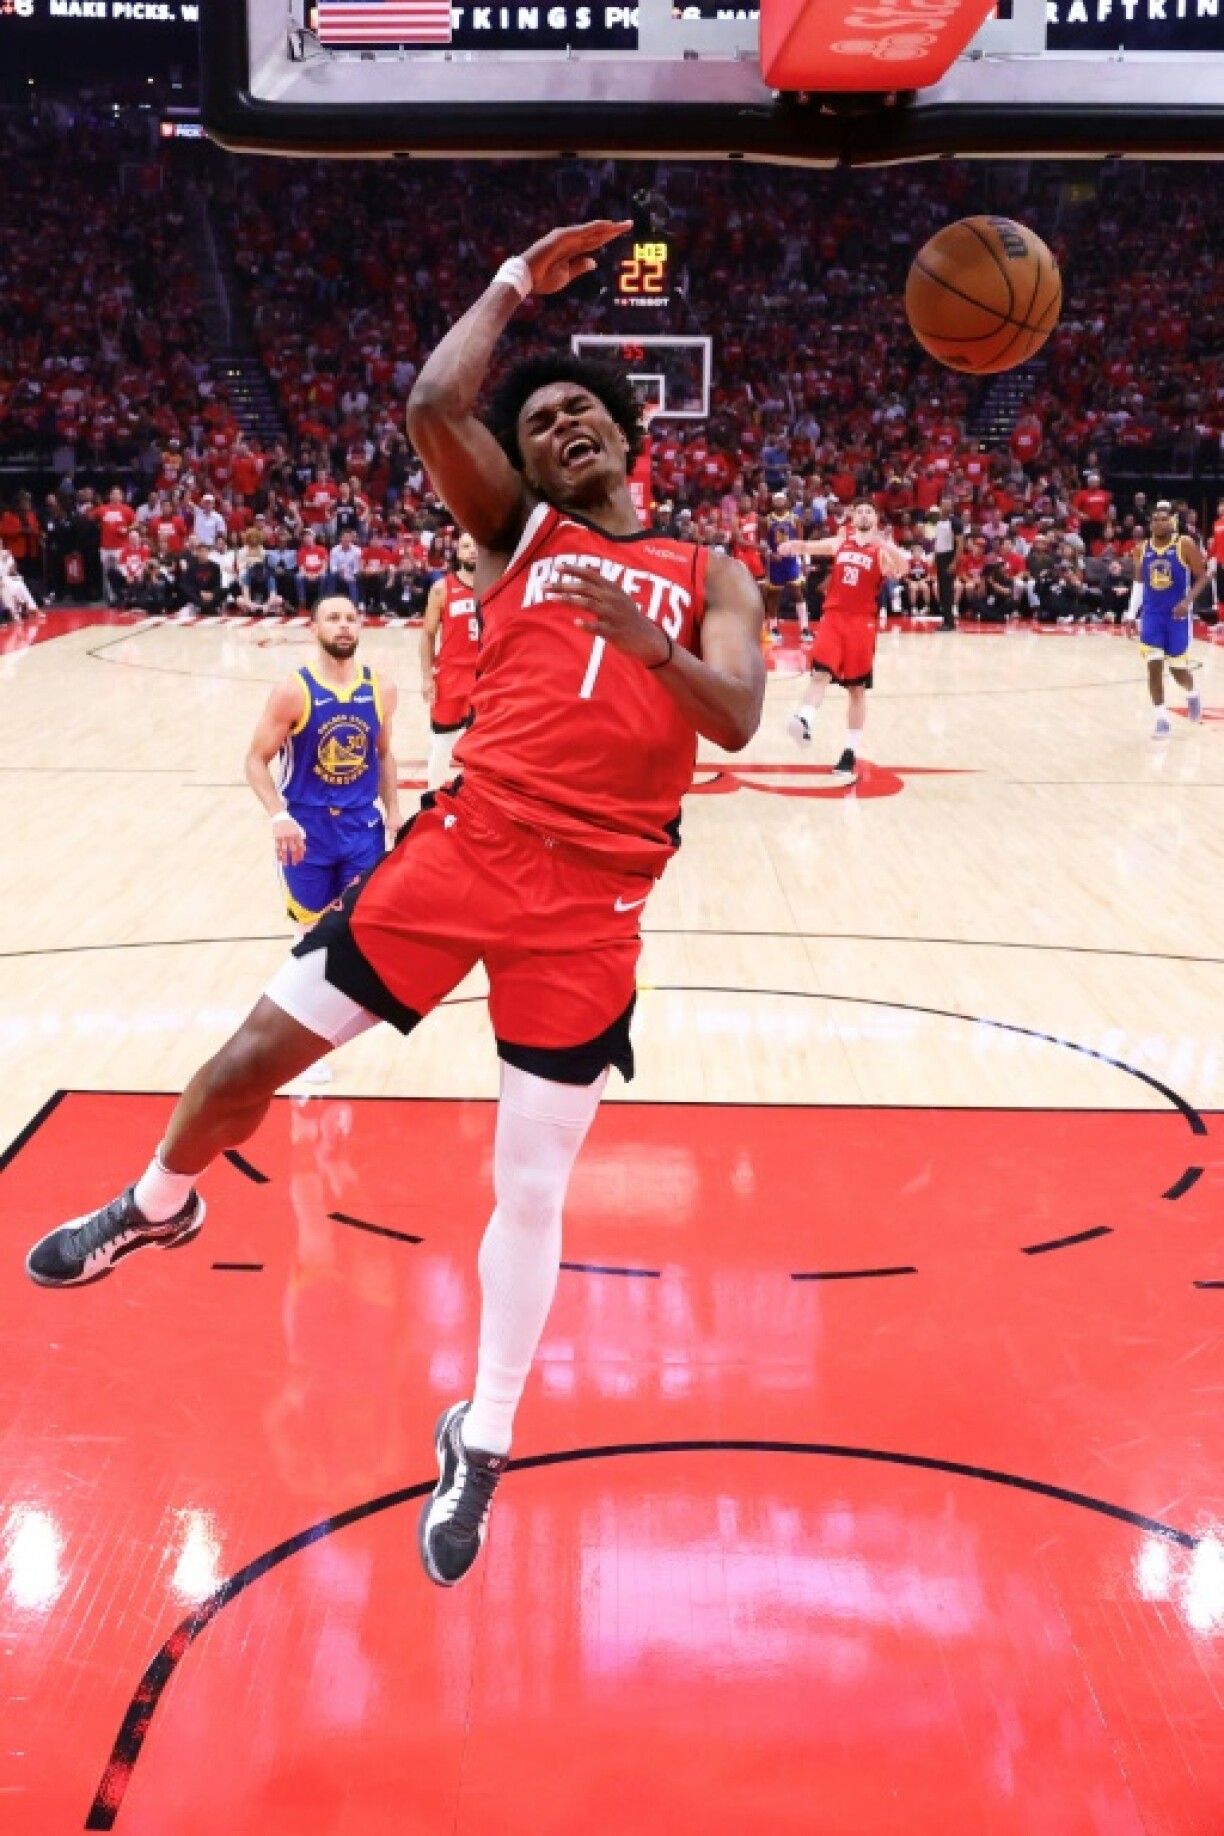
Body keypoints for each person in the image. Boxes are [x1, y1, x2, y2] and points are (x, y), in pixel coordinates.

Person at [24, 220, 766, 1596]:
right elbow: (436, 404)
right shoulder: (514, 527)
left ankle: (481, 1436)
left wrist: (647, 640)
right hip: (463, 851)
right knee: (244, 1061)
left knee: (531, 1183)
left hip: (595, 905)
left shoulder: (711, 572)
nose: (560, 428)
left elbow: (734, 719)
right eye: (538, 422)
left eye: (580, 412)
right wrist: (508, 285)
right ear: (525, 465)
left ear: (625, 436)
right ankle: (155, 1202)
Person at [244, 594, 401, 937]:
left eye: (350, 617)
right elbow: (255, 760)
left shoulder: (381, 689)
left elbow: (383, 754)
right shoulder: (293, 691)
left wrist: (393, 810)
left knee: (360, 930)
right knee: (310, 933)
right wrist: (277, 815)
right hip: (306, 831)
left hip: (362, 827)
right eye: (333, 618)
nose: (344, 625)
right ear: (314, 629)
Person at [783, 498, 907, 779]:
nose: (863, 514)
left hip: (861, 624)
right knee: (820, 674)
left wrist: (885, 544)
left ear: (875, 520)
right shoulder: (841, 542)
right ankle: (804, 719)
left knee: (856, 690)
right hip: (834, 618)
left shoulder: (881, 550)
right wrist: (792, 546)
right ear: (852, 518)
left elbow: (903, 568)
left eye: (868, 511)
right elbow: (809, 547)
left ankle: (850, 751)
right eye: (859, 511)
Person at [1124, 500, 1210, 738]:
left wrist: (1187, 602)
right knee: (1153, 667)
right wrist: (1131, 615)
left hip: (1177, 617)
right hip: (1151, 616)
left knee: (1177, 670)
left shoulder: (1184, 544)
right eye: (1155, 520)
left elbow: (1203, 577)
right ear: (1150, 523)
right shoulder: (1141, 548)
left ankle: (1192, 693)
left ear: (1172, 521)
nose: (1160, 523)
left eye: (1164, 519)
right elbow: (1139, 584)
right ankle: (1161, 719)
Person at [419, 530, 480, 788]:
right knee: (442, 742)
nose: (473, 551)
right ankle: (432, 799)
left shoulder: (500, 585)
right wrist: (426, 677)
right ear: (458, 552)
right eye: (466, 546)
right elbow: (428, 634)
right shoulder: (442, 589)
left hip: (487, 676)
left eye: (477, 545)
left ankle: (478, 799)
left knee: (485, 745)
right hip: (451, 676)